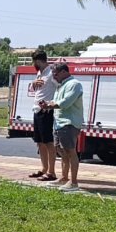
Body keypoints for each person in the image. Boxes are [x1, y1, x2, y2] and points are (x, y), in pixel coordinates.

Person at [41, 62, 84, 192]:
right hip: (58, 123)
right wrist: (47, 103)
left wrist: (50, 106)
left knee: (71, 152)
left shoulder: (74, 84)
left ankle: (74, 182)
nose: (54, 77)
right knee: (62, 151)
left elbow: (65, 103)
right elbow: (56, 101)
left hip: (69, 123)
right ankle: (64, 178)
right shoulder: (61, 85)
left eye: (56, 74)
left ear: (64, 72)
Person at [29, 51, 58, 182]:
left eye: (34, 62)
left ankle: (52, 172)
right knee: (39, 142)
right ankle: (44, 168)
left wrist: (52, 103)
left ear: (38, 61)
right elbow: (36, 90)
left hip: (46, 111)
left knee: (48, 141)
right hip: (37, 109)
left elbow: (60, 87)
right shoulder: (40, 73)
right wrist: (34, 84)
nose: (33, 64)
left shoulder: (52, 72)